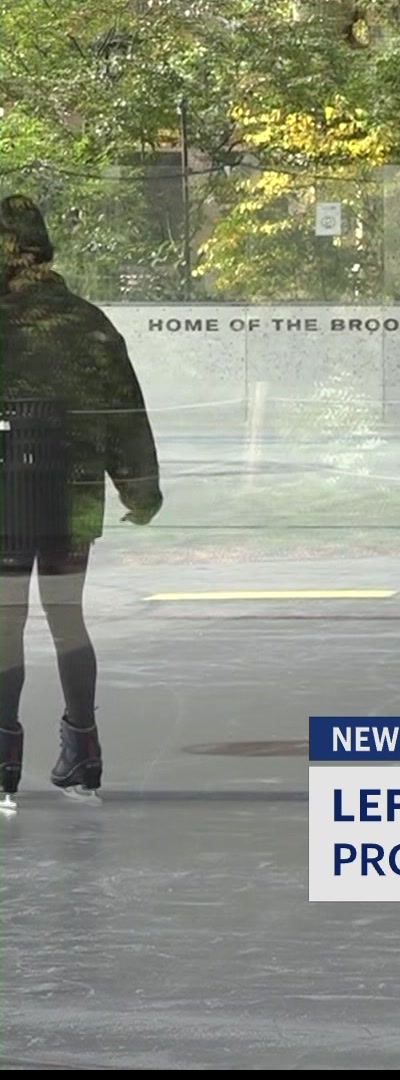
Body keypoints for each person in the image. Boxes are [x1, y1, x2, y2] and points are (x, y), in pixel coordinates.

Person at [0, 193, 162, 808]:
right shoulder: (91, 323)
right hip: (73, 500)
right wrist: (140, 489)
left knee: (4, 621)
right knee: (67, 617)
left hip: (5, 500)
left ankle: (2, 759)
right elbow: (125, 412)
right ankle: (83, 752)